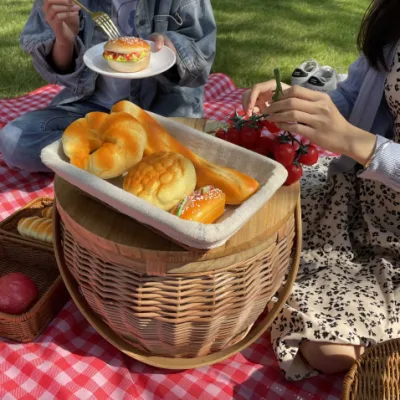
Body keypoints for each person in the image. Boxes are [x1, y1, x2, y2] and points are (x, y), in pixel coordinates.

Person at [242, 0, 400, 381]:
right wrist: (297, 101)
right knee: (253, 225)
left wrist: (355, 141)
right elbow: (356, 93)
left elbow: (354, 135)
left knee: (327, 349)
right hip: (354, 201)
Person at [0, 0, 216, 172]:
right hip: (92, 109)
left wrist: (174, 48)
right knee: (13, 141)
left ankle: (112, 158)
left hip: (162, 109)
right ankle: (126, 156)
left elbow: (201, 61)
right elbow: (58, 72)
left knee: (193, 149)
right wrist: (65, 41)